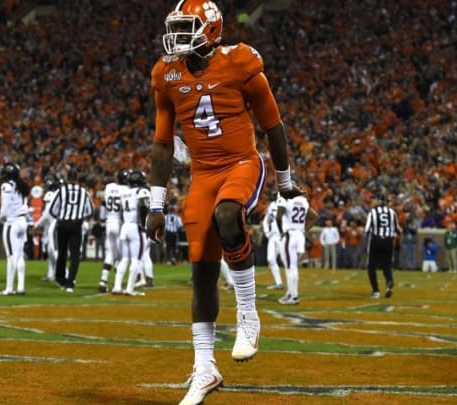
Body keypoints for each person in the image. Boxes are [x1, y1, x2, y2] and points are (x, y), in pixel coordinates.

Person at [144, 2, 305, 403]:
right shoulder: (166, 74)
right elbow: (163, 145)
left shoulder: (240, 62)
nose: (178, 36)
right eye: (176, 28)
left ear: (211, 29)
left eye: (187, 27)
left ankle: (248, 311)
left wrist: (285, 181)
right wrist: (156, 204)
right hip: (202, 176)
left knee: (228, 215)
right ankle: (205, 369)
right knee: (200, 269)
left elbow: (273, 125)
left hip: (241, 164)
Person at [34, 173, 93, 293]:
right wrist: (79, 217)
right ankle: (70, 283)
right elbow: (90, 210)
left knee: (62, 251)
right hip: (76, 224)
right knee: (75, 255)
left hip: (62, 223)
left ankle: (61, 279)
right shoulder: (83, 192)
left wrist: (60, 217)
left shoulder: (61, 191)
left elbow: (52, 209)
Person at [112, 170, 151, 296]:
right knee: (136, 260)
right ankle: (129, 288)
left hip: (125, 226)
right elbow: (143, 207)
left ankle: (117, 287)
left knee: (124, 259)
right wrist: (144, 225)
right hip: (136, 227)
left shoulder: (124, 192)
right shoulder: (141, 191)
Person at [0, 162, 30, 296]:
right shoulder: (22, 185)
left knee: (11, 256)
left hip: (12, 223)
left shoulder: (7, 185)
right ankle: (20, 286)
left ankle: (9, 288)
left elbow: (4, 209)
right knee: (19, 255)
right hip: (22, 222)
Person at [277, 193, 319, 304]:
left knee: (290, 267)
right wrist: (303, 230)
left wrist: (281, 232)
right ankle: (290, 293)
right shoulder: (303, 200)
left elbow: (278, 217)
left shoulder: (285, 198)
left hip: (290, 235)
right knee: (292, 266)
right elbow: (315, 216)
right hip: (300, 235)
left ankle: (294, 296)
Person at [98, 169, 130, 292]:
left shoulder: (109, 187)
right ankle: (118, 284)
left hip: (108, 222)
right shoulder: (126, 190)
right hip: (119, 223)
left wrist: (101, 219)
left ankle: (103, 281)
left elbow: (103, 204)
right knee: (121, 257)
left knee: (110, 254)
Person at [364, 194, 401, 298]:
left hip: (376, 240)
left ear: (379, 201)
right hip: (388, 241)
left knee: (371, 267)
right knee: (387, 266)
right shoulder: (392, 212)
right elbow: (398, 229)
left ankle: (376, 291)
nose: (372, 202)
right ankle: (389, 284)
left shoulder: (373, 212)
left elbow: (367, 230)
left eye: (374, 199)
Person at [261, 193, 284, 290]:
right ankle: (279, 283)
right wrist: (267, 232)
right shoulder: (272, 205)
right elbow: (266, 220)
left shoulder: (286, 204)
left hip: (282, 237)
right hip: (273, 236)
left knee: (286, 260)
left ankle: (292, 287)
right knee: (271, 259)